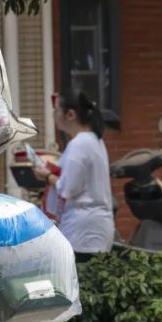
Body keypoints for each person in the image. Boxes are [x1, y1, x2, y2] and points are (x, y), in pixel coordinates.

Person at [32, 91, 114, 262]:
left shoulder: (79, 144)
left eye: (56, 111)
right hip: (94, 227)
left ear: (70, 115)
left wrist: (47, 176)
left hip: (83, 230)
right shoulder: (93, 140)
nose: (54, 115)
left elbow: (68, 188)